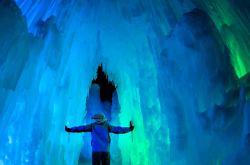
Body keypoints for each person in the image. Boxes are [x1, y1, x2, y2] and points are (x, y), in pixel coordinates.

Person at [65, 113, 135, 165]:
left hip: (96, 151)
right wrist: (129, 129)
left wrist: (70, 129)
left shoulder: (92, 126)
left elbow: (81, 128)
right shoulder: (107, 126)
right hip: (105, 151)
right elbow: (118, 129)